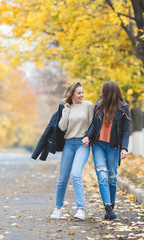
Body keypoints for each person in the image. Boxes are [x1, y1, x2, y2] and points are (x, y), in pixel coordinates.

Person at [83, 81, 131, 220]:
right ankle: (108, 207)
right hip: (98, 145)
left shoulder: (124, 108)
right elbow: (93, 124)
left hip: (113, 146)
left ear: (109, 92)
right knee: (102, 175)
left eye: (103, 91)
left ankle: (111, 205)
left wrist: (124, 148)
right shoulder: (98, 105)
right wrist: (87, 136)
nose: (101, 93)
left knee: (112, 177)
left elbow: (126, 130)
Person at [50, 81, 94, 220]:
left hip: (82, 144)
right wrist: (66, 111)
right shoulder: (66, 107)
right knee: (62, 178)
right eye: (79, 93)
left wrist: (88, 136)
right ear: (72, 94)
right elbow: (62, 127)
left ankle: (80, 209)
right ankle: (58, 208)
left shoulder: (88, 105)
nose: (82, 95)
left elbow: (93, 124)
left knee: (75, 174)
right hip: (69, 144)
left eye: (82, 92)